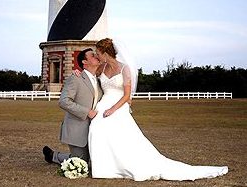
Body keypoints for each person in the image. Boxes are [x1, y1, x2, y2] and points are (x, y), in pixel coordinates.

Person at [88, 38, 228, 181]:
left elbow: (126, 95)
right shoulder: (102, 68)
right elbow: (89, 76)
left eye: (98, 53)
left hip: (118, 105)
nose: (96, 56)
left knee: (122, 136)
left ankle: (122, 165)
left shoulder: (124, 69)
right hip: (103, 104)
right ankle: (104, 168)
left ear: (105, 53)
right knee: (96, 130)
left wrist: (113, 109)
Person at [42, 48, 103, 164]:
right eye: (92, 55)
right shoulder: (75, 78)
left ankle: (54, 155)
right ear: (84, 62)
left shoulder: (99, 80)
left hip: (95, 129)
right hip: (77, 128)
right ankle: (54, 156)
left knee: (94, 161)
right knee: (82, 163)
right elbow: (63, 101)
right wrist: (87, 112)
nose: (96, 56)